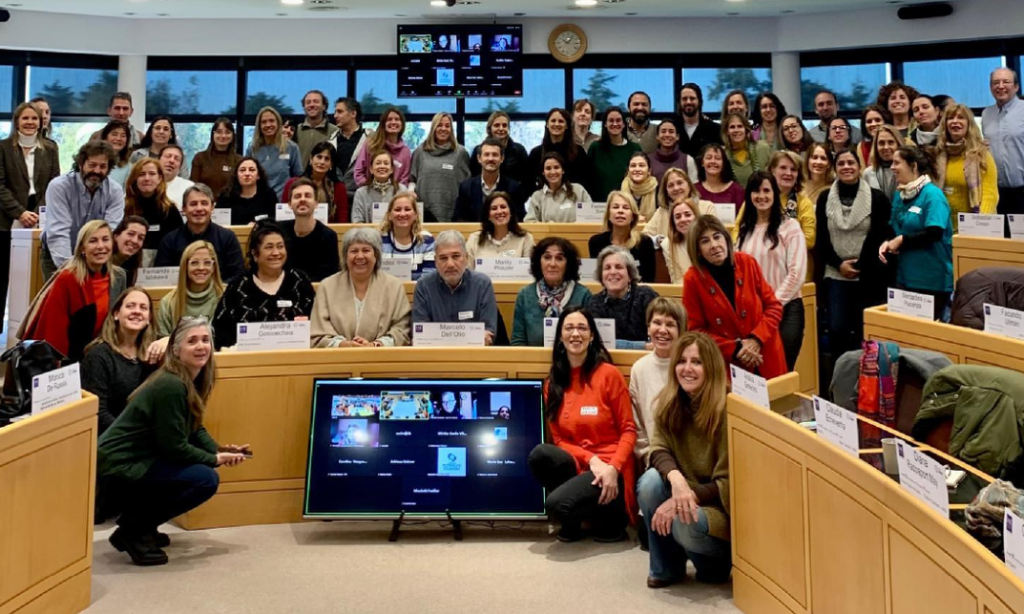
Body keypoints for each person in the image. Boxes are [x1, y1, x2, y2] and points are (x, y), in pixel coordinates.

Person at [97, 318, 249, 566]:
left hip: (144, 456)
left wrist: (219, 450)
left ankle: (141, 526)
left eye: (205, 340)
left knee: (198, 472)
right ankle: (133, 531)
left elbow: (194, 429)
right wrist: (213, 460)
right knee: (204, 479)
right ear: (176, 350)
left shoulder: (191, 378)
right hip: (122, 463)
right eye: (192, 341)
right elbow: (175, 448)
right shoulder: (171, 384)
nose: (201, 346)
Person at [527, 305, 636, 542]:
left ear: (592, 335)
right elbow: (559, 440)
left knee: (556, 506)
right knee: (541, 454)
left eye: (582, 328)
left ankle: (611, 520)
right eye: (569, 328)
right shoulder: (553, 383)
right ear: (560, 336)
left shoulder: (609, 375)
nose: (575, 334)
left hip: (611, 468)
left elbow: (629, 431)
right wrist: (591, 459)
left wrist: (612, 468)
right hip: (582, 465)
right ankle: (575, 521)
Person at [638, 331, 732, 587]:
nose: (687, 369)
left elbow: (729, 483)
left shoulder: (727, 409)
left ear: (710, 367)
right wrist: (677, 480)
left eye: (697, 362)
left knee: (684, 519)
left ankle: (715, 564)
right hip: (684, 494)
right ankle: (665, 567)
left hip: (716, 507)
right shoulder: (669, 402)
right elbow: (657, 449)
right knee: (649, 483)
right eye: (682, 361)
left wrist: (687, 498)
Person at [682, 215, 786, 379]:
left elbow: (773, 306)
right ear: (698, 251)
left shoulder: (747, 262)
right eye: (705, 241)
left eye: (717, 237)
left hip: (766, 354)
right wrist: (736, 348)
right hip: (728, 365)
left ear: (726, 238)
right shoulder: (692, 279)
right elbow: (696, 331)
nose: (714, 245)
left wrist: (756, 339)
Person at [815, 149, 893, 360]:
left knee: (864, 332)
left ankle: (866, 381)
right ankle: (841, 377)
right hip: (835, 273)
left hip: (868, 275)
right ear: (835, 168)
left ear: (859, 166)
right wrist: (839, 264)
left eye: (851, 162)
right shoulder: (824, 198)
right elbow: (821, 238)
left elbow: (880, 236)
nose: (846, 167)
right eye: (841, 163)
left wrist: (860, 265)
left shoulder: (878, 199)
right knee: (837, 329)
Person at [21, 220, 128, 362]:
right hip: (71, 356)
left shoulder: (119, 276)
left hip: (103, 353)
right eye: (93, 241)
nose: (100, 246)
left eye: (105, 239)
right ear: (82, 249)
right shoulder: (68, 278)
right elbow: (53, 329)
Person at [733, 172, 808, 370]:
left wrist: (772, 305)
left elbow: (797, 273)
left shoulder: (790, 227)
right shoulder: (744, 230)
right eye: (756, 191)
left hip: (786, 310)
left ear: (775, 193)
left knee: (782, 373)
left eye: (766, 190)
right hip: (753, 313)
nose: (761, 196)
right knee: (756, 374)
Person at [212, 220, 315, 349]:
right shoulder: (238, 286)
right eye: (269, 247)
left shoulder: (299, 281)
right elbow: (221, 331)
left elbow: (315, 325)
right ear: (255, 254)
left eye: (280, 246)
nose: (276, 253)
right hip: (248, 362)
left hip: (296, 360)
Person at [0, 101, 60, 321]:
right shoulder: (3, 147)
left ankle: (31, 327)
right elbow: (0, 185)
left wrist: (37, 212)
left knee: (32, 277)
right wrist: (20, 213)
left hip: (39, 217)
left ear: (41, 122)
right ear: (16, 121)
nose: (30, 122)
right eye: (25, 118)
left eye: (34, 118)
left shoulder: (51, 148)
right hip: (6, 219)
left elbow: (55, 183)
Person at [879, 146, 954, 321]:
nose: (892, 167)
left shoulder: (932, 195)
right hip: (905, 277)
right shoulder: (901, 194)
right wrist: (887, 241)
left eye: (897, 163)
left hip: (932, 280)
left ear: (913, 166)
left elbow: (934, 232)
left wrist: (902, 240)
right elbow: (894, 227)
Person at [311, 227, 411, 348]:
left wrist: (375, 345)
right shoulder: (327, 286)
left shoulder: (394, 286)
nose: (360, 256)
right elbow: (318, 332)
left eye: (366, 250)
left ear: (376, 255)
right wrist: (344, 345)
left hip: (381, 361)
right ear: (345, 256)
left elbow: (402, 330)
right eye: (354, 251)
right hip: (337, 361)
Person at [42, 140, 125, 279]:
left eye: (103, 166)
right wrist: (70, 272)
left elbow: (109, 231)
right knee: (60, 298)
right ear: (81, 164)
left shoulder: (115, 191)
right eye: (92, 165)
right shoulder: (59, 187)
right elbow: (58, 232)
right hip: (58, 253)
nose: (97, 171)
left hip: (95, 254)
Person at [81, 287, 156, 434]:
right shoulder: (98, 356)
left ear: (149, 319)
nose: (136, 311)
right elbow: (99, 414)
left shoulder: (152, 352)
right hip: (111, 440)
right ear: (116, 314)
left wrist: (167, 341)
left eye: (143, 307)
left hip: (143, 437)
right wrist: (134, 438)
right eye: (130, 306)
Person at [628, 298, 687, 469]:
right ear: (648, 328)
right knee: (650, 486)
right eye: (657, 323)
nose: (663, 330)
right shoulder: (639, 369)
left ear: (681, 331)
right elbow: (637, 426)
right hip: (655, 460)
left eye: (670, 324)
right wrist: (652, 457)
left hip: (688, 461)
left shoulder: (689, 367)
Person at [412, 230, 499, 345]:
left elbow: (488, 333)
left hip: (473, 357)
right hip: (435, 358)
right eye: (443, 258)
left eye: (456, 256)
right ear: (435, 262)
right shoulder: (423, 286)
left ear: (466, 258)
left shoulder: (482, 284)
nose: (450, 264)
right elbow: (420, 334)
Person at [149, 241, 225, 363]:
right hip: (179, 365)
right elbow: (163, 345)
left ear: (213, 267)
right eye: (194, 263)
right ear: (185, 266)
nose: (201, 268)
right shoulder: (168, 302)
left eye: (207, 263)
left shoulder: (226, 297)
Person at [511, 237, 592, 346]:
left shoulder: (583, 295)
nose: (552, 264)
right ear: (539, 262)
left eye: (559, 258)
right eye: (547, 257)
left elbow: (589, 339)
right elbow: (518, 341)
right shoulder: (525, 295)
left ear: (568, 264)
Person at [155, 184, 245, 283]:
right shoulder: (169, 241)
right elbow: (163, 279)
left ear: (212, 208)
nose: (199, 208)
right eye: (193, 204)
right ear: (184, 209)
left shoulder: (228, 237)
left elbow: (238, 274)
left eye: (204, 203)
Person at [936, 103, 1000, 230]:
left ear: (969, 124)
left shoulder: (981, 155)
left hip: (974, 227)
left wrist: (979, 224)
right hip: (943, 228)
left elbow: (990, 194)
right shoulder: (938, 156)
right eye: (951, 118)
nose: (955, 121)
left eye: (960, 118)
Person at [587, 246, 659, 349]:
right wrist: (643, 346)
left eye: (618, 267)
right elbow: (599, 344)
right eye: (607, 268)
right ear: (601, 276)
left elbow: (658, 337)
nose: (612, 272)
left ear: (629, 275)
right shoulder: (594, 303)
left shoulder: (646, 296)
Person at [408, 112, 471, 222]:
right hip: (424, 212)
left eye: (447, 126)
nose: (443, 129)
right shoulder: (420, 151)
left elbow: (467, 185)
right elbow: (412, 179)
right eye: (439, 125)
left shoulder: (461, 153)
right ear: (433, 128)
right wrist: (410, 190)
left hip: (452, 213)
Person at [278, 178, 341, 282]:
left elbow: (328, 277)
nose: (302, 199)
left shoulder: (328, 236)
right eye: (297, 196)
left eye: (307, 196)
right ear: (289, 204)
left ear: (316, 203)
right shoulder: (279, 231)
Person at [123, 157, 183, 263]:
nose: (147, 178)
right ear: (134, 178)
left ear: (159, 178)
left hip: (162, 266)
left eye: (152, 174)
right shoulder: (123, 206)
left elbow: (178, 242)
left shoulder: (170, 209)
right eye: (141, 174)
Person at [982, 68, 1024, 217]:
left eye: (1006, 81)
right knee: (1001, 238)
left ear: (1016, 86)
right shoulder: (987, 114)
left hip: (1022, 191)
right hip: (997, 193)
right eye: (995, 83)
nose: (1000, 86)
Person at [588, 190, 656, 282]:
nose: (620, 211)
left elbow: (649, 280)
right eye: (615, 207)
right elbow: (597, 278)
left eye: (626, 208)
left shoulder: (644, 242)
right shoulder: (596, 242)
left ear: (633, 216)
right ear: (608, 214)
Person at [454, 137, 525, 222]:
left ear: (502, 158)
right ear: (479, 158)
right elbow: (460, 219)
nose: (490, 159)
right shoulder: (466, 187)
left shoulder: (513, 188)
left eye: (495, 155)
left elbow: (518, 218)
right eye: (486, 154)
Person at [282, 141, 350, 223]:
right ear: (311, 159)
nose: (322, 162)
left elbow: (342, 221)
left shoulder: (339, 188)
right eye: (319, 157)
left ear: (331, 164)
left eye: (327, 159)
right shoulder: (292, 184)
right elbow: (285, 214)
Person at [527, 108, 592, 193]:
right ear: (547, 124)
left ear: (567, 126)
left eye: (561, 121)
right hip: (544, 202)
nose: (557, 124)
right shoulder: (536, 153)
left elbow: (586, 181)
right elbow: (528, 183)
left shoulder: (578, 152)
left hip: (572, 199)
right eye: (553, 121)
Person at [588, 106, 642, 201]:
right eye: (611, 121)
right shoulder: (595, 148)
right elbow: (588, 179)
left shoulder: (635, 149)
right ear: (605, 124)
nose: (615, 124)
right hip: (598, 207)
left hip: (627, 205)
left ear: (624, 124)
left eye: (618, 120)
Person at [646, 166, 715, 240]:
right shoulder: (661, 212)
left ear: (689, 185)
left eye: (680, 183)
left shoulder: (707, 207)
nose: (676, 188)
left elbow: (712, 234)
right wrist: (658, 241)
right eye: (671, 185)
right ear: (667, 191)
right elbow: (645, 236)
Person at [247, 106, 302, 199]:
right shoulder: (252, 149)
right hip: (259, 202)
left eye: (271, 121)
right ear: (259, 126)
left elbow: (299, 177)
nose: (268, 125)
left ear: (278, 123)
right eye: (264, 122)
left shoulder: (291, 147)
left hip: (284, 203)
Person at [466, 191, 535, 265]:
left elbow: (530, 272)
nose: (499, 211)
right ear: (488, 216)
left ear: (511, 212)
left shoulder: (526, 239)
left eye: (503, 207)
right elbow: (467, 272)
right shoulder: (474, 239)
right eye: (494, 208)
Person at [379, 192, 435, 280]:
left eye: (407, 209)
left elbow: (429, 278)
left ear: (415, 215)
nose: (402, 214)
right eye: (397, 210)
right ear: (389, 215)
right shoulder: (378, 240)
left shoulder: (426, 239)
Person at [524, 152, 593, 223]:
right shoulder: (537, 196)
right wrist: (547, 227)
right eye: (548, 168)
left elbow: (591, 216)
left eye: (556, 167)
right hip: (548, 234)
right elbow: (529, 221)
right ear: (543, 172)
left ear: (563, 170)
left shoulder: (578, 190)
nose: (553, 172)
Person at [468, 111, 531, 187]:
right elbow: (473, 178)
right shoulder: (478, 150)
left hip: (512, 196)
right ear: (489, 128)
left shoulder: (519, 150)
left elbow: (528, 180)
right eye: (497, 125)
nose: (501, 128)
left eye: (504, 125)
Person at [354, 107, 412, 187]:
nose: (393, 122)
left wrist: (393, 193)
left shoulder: (405, 151)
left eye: (397, 119)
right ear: (383, 124)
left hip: (395, 196)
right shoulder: (371, 144)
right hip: (369, 193)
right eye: (389, 119)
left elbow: (405, 179)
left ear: (402, 124)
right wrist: (370, 189)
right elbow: (358, 172)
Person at [215, 157, 278, 226]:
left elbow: (274, 222)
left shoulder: (269, 195)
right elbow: (219, 224)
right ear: (236, 175)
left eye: (252, 170)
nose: (247, 174)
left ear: (258, 175)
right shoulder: (225, 196)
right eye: (242, 170)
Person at [189, 118, 242, 199]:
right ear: (213, 134)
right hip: (205, 205)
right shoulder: (200, 158)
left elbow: (240, 188)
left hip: (230, 206)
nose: (223, 136)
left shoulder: (239, 160)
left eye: (227, 132)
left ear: (232, 136)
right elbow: (194, 186)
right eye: (219, 132)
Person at [330, 97, 372, 196]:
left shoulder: (370, 138)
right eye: (335, 112)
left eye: (340, 112)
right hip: (337, 196)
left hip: (363, 195)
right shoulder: (331, 140)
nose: (335, 116)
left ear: (353, 113)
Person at [351, 150, 407, 224]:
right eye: (378, 163)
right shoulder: (361, 193)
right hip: (368, 234)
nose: (382, 166)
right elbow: (357, 221)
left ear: (392, 169)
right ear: (371, 169)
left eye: (386, 163)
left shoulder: (402, 190)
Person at [722, 112, 770, 187]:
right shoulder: (723, 155)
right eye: (732, 127)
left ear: (746, 129)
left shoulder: (763, 148)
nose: (736, 130)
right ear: (727, 131)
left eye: (740, 126)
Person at [660, 198, 702, 283]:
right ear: (673, 222)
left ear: (696, 216)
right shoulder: (667, 244)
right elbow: (676, 279)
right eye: (678, 217)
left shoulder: (707, 239)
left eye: (688, 215)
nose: (683, 219)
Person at [675, 83, 722, 158]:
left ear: (700, 101)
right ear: (679, 102)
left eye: (692, 98)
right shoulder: (672, 128)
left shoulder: (715, 130)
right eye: (684, 99)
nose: (688, 102)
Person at [695, 143, 745, 213]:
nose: (713, 161)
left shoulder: (737, 190)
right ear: (702, 162)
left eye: (717, 158)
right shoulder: (694, 190)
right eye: (709, 158)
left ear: (723, 163)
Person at [296, 89, 339, 166]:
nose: (311, 105)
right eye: (308, 102)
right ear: (304, 107)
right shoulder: (296, 130)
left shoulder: (335, 131)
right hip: (299, 177)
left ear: (324, 106)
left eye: (316, 101)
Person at [650, 119, 699, 184]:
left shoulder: (688, 160)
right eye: (663, 131)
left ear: (677, 137)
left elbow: (694, 189)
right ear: (657, 136)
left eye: (671, 131)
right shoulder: (648, 160)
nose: (667, 135)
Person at [862, 125, 901, 204]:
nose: (886, 147)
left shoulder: (907, 172)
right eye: (881, 143)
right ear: (876, 147)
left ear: (898, 144)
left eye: (890, 142)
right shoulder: (868, 173)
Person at [620, 151, 660, 222]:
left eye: (641, 165)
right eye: (633, 166)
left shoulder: (658, 190)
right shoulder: (619, 190)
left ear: (649, 171)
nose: (637, 169)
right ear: (628, 171)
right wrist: (633, 218)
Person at [111, 216, 148, 285]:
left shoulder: (132, 267)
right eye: (130, 234)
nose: (135, 240)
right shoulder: (101, 263)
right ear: (116, 236)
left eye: (141, 238)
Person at [102, 120, 134, 186]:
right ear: (105, 138)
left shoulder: (128, 167)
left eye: (123, 136)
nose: (118, 138)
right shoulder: (94, 160)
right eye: (114, 134)